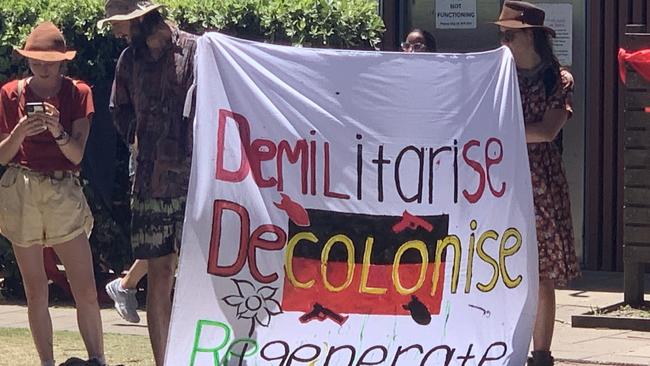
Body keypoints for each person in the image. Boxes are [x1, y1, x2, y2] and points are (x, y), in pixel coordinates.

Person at [0, 22, 106, 366]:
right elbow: (2, 156)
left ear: (63, 61)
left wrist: (57, 130)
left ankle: (97, 359)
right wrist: (20, 131)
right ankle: (46, 361)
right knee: (35, 291)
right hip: (22, 187)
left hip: (63, 188)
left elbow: (76, 154)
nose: (42, 66)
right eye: (35, 59)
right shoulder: (10, 93)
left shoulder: (78, 93)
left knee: (85, 289)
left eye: (50, 60)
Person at [97, 1, 197, 364]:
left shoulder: (195, 51)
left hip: (193, 183)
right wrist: (133, 137)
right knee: (159, 275)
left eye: (121, 23)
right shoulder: (129, 60)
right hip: (149, 184)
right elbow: (117, 107)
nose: (116, 31)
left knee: (199, 274)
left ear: (141, 18)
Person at [494, 2, 580, 365]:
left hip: (541, 182)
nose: (503, 40)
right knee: (500, 266)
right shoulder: (497, 75)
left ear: (530, 35)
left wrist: (499, 134)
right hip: (502, 179)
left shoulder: (557, 79)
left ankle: (541, 354)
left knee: (542, 273)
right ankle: (499, 345)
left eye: (509, 34)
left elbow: (548, 130)